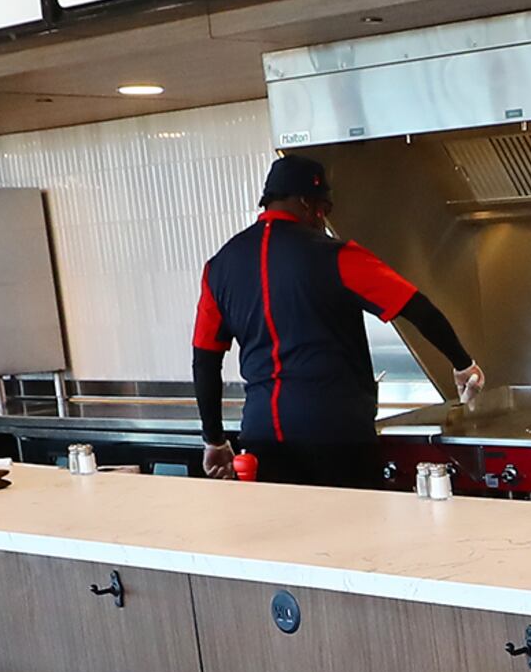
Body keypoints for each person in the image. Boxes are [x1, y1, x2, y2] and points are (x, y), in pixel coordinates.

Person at [190, 154, 481, 487]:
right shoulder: (336, 256)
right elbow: (417, 307)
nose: (324, 221)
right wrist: (462, 363)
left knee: (287, 536)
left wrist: (213, 439)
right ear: (306, 203)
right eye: (323, 210)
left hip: (264, 438)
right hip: (338, 436)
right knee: (352, 536)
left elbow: (205, 359)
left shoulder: (219, 267)